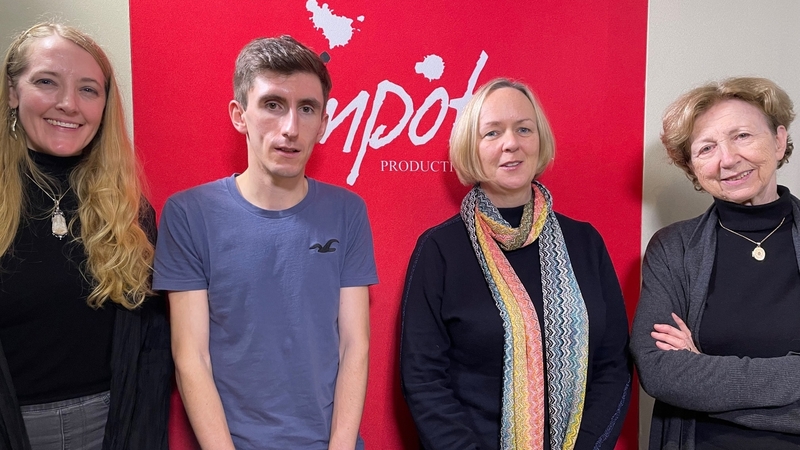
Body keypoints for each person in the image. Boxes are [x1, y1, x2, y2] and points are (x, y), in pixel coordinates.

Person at [153, 35, 377, 449]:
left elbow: (355, 346)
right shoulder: (189, 214)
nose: (290, 128)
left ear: (323, 123)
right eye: (273, 105)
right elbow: (191, 357)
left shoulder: (348, 211)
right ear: (240, 115)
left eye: (306, 108)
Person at [400, 78, 631, 450]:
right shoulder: (440, 249)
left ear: (539, 141)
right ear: (471, 148)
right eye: (492, 132)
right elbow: (423, 379)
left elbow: (613, 366)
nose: (511, 143)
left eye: (524, 129)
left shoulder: (585, 243)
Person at [0, 22, 171, 450]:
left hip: (113, 428)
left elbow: (152, 346)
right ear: (12, 92)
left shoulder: (129, 211)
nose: (69, 104)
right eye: (46, 82)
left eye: (88, 90)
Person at [631, 77, 800, 449]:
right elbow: (660, 372)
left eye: (742, 136)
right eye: (707, 148)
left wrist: (705, 384)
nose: (728, 159)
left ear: (778, 140)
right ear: (692, 167)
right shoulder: (672, 249)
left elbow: (686, 382)